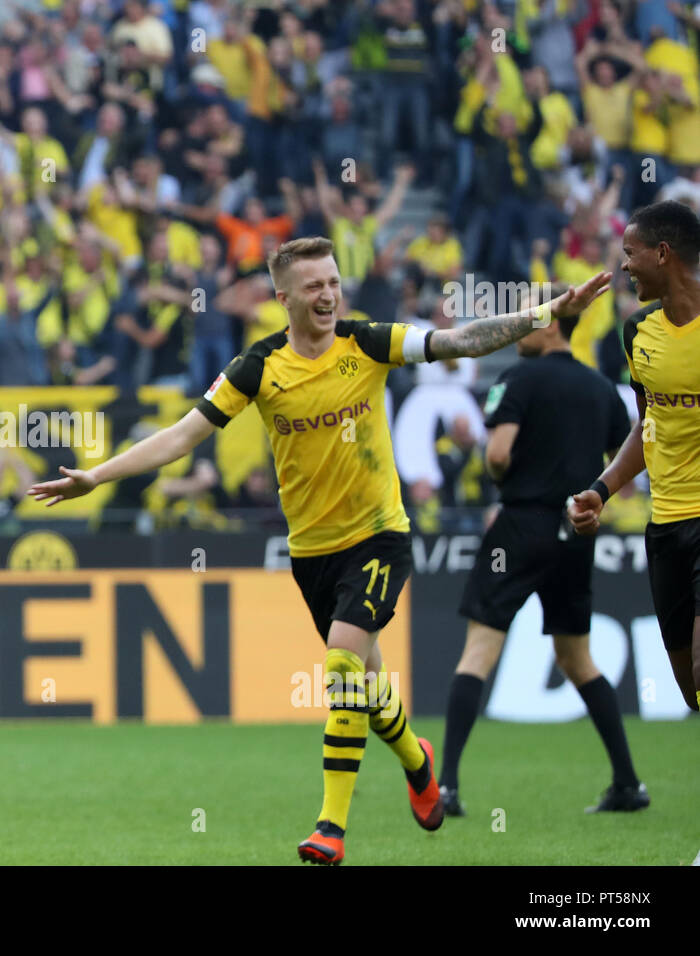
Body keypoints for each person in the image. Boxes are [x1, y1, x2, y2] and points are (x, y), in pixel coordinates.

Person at [30, 236, 611, 865]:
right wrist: (97, 476)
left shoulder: (368, 342)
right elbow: (180, 437)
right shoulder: (258, 367)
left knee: (339, 668)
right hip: (311, 552)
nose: (329, 294)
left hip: (380, 537)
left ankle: (330, 828)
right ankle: (418, 761)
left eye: (333, 281)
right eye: (314, 286)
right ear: (283, 299)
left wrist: (539, 314)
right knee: (364, 682)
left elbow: (457, 342)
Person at [441, 301, 646, 818]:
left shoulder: (516, 379)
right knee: (577, 658)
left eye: (527, 320)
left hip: (520, 526)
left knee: (479, 651)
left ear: (552, 323)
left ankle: (446, 788)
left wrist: (507, 485)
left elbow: (497, 454)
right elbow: (619, 462)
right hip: (575, 529)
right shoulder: (602, 389)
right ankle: (627, 782)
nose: (516, 331)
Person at [571, 200, 700, 713]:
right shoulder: (638, 333)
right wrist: (600, 490)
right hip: (666, 526)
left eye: (631, 253)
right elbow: (647, 428)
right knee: (691, 688)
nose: (623, 265)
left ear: (663, 254)